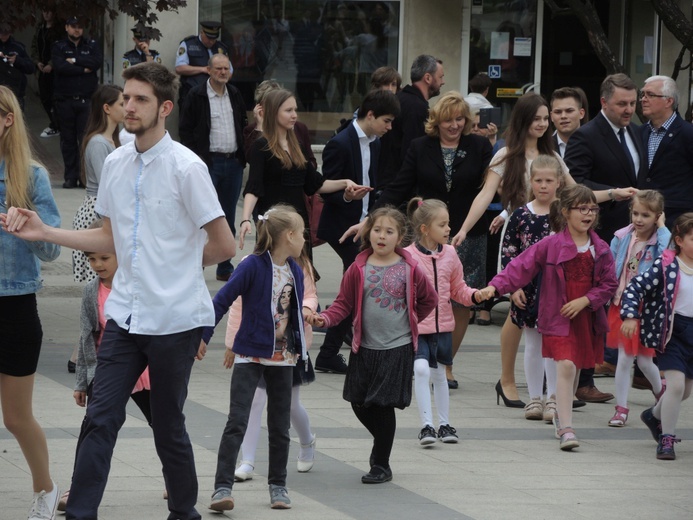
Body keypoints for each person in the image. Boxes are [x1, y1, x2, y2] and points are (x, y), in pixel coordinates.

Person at [1, 62, 235, 520]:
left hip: (174, 320)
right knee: (100, 419)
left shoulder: (188, 168)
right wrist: (45, 231)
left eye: (141, 99)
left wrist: (170, 264)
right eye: (126, 97)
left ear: (164, 107)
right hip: (124, 317)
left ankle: (183, 513)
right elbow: (108, 238)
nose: (129, 105)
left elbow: (224, 244)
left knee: (168, 428)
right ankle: (80, 513)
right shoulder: (114, 163)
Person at [452, 93, 627, 406]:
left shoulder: (554, 157)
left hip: (555, 238)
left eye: (546, 119)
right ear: (523, 120)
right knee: (517, 315)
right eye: (537, 118)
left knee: (546, 319)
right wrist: (464, 229)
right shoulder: (506, 155)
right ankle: (507, 380)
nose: (543, 124)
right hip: (521, 234)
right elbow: (484, 196)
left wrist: (613, 193)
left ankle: (554, 390)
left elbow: (577, 194)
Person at [480, 185, 618, 451]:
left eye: (592, 208)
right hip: (556, 316)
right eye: (581, 208)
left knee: (574, 369)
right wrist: (495, 287)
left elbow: (609, 284)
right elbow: (520, 266)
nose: (588, 213)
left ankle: (559, 412)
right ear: (565, 212)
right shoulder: (551, 244)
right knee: (565, 365)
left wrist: (586, 300)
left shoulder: (600, 248)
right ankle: (566, 428)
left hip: (585, 319)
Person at [311, 207, 438, 483]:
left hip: (397, 346)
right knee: (358, 402)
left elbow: (429, 299)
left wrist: (412, 321)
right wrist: (324, 319)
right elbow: (343, 304)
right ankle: (382, 443)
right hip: (364, 347)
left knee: (382, 405)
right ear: (369, 233)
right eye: (377, 230)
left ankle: (381, 463)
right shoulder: (358, 267)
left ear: (400, 236)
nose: (382, 236)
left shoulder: (410, 268)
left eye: (389, 231)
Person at [201, 205, 309, 511]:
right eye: (302, 234)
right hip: (249, 355)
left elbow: (294, 315)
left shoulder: (295, 271)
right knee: (237, 420)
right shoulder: (251, 265)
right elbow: (221, 300)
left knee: (279, 426)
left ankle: (278, 486)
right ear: (289, 236)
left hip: (283, 359)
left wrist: (303, 345)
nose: (304, 240)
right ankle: (222, 488)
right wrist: (204, 337)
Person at [58, 219, 154, 511]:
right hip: (107, 371)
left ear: (121, 254)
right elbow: (87, 336)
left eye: (104, 257)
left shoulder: (140, 285)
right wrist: (83, 382)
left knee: (166, 427)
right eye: (91, 258)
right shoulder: (91, 291)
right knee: (93, 429)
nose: (97, 264)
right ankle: (78, 487)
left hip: (146, 372)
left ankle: (175, 482)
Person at [0, 85, 61, 520]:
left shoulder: (30, 176)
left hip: (15, 307)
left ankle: (45, 489)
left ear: (6, 119)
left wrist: (32, 230)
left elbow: (53, 249)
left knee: (16, 418)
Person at [314, 89, 400, 374]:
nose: (389, 127)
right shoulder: (340, 143)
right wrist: (349, 196)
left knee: (355, 289)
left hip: (365, 226)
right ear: (371, 115)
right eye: (386, 121)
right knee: (355, 287)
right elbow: (327, 190)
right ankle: (329, 353)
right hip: (342, 229)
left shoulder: (375, 143)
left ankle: (331, 353)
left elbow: (374, 182)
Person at [222, 245, 318, 483]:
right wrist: (232, 343)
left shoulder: (297, 264)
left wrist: (306, 309)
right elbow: (237, 305)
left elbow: (309, 295)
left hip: (289, 349)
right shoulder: (249, 263)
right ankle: (247, 461)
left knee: (291, 406)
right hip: (255, 346)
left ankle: (307, 441)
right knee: (254, 401)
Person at [238, 88, 363, 255]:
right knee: (275, 275)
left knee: (303, 276)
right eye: (288, 110)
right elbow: (253, 187)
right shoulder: (261, 147)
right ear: (274, 113)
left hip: (299, 224)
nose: (294, 115)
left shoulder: (297, 146)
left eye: (295, 110)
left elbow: (315, 184)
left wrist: (345, 182)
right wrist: (245, 219)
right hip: (275, 224)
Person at [404, 198, 482, 445]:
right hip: (418, 328)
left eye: (448, 223)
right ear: (425, 229)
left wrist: (474, 295)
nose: (449, 229)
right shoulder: (407, 256)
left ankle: (444, 424)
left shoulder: (450, 253)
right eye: (443, 224)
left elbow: (458, 288)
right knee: (420, 369)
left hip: (444, 326)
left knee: (439, 374)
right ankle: (426, 426)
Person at [622, 213, 693, 460]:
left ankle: (653, 415)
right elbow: (635, 287)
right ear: (679, 240)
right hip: (672, 332)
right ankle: (667, 439)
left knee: (684, 391)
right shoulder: (667, 266)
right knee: (674, 386)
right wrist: (630, 316)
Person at [500, 155, 565, 421]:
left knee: (552, 343)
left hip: (556, 286)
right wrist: (512, 286)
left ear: (559, 182)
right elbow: (510, 252)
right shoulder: (521, 214)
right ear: (531, 181)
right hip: (528, 286)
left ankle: (553, 398)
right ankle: (535, 398)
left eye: (549, 180)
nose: (543, 185)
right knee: (532, 342)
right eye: (538, 180)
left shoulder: (563, 213)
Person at [179, 53, 247, 281]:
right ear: (208, 70)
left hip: (233, 162)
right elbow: (185, 129)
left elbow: (242, 125)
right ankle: (195, 264)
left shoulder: (235, 94)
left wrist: (242, 157)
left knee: (227, 215)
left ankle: (224, 266)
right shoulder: (196, 95)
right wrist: (195, 159)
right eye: (218, 68)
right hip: (207, 164)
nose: (222, 72)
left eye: (226, 68)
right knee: (201, 215)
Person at [607, 190, 670, 427]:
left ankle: (660, 390)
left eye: (646, 215)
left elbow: (667, 258)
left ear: (657, 217)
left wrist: (663, 228)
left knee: (644, 362)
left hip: (648, 307)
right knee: (625, 358)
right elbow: (611, 267)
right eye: (635, 213)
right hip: (622, 304)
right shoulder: (622, 237)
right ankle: (621, 409)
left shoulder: (660, 240)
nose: (639, 219)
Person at [563, 73, 646, 242]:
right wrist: (612, 193)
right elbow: (575, 184)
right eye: (622, 104)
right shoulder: (584, 137)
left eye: (632, 103)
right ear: (604, 103)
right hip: (602, 232)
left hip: (638, 233)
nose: (629, 110)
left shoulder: (637, 131)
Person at [72, 85, 124, 284]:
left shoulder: (111, 141)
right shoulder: (98, 142)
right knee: (100, 279)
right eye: (122, 103)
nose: (127, 107)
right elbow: (107, 185)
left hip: (105, 209)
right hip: (97, 212)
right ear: (107, 108)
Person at [52, 16, 103, 189]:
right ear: (67, 27)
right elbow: (60, 67)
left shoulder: (91, 45)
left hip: (86, 100)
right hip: (65, 100)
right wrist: (83, 69)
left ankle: (83, 177)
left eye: (80, 27)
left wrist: (74, 61)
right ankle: (70, 177)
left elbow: (96, 63)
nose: (77, 30)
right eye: (73, 26)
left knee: (85, 141)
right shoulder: (59, 46)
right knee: (68, 140)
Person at [639, 75, 693, 228]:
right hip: (642, 219)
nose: (643, 99)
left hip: (678, 220)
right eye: (643, 94)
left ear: (668, 101)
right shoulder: (639, 132)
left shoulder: (688, 133)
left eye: (650, 95)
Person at [382, 54, 444, 182]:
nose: (443, 82)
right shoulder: (416, 108)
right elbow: (412, 154)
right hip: (399, 186)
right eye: (440, 77)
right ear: (427, 78)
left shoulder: (400, 99)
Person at [175, 21, 228, 106]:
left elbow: (230, 70)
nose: (211, 42)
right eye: (209, 38)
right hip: (192, 94)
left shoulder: (221, 48)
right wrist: (202, 69)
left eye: (214, 39)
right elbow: (179, 68)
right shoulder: (188, 44)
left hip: (216, 95)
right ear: (202, 32)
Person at [31, 5, 65, 138]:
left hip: (55, 71)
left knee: (55, 98)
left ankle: (57, 125)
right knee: (45, 99)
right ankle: (55, 123)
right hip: (42, 69)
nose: (46, 14)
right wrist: (36, 61)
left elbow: (61, 49)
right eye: (43, 11)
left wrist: (51, 64)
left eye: (48, 11)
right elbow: (34, 46)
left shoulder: (59, 30)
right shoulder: (40, 28)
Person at [0, 22, 36, 109]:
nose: (4, 36)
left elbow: (31, 68)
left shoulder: (18, 47)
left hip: (16, 92)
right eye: (1, 34)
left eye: (6, 34)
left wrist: (17, 60)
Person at [550, 86, 588, 158]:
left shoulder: (595, 144)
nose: (563, 116)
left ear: (581, 113)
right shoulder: (543, 147)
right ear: (551, 116)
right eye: (558, 112)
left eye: (569, 111)